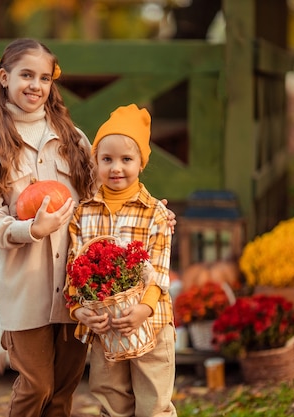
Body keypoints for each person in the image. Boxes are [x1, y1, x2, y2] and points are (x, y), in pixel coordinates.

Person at [0, 38, 97, 417]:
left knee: (62, 392)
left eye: (44, 77)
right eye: (25, 75)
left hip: (74, 287)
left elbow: (99, 202)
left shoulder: (73, 139)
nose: (35, 85)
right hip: (24, 288)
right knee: (37, 386)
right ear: (4, 77)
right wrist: (30, 230)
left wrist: (151, 210)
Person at [67, 104, 177, 417]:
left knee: (153, 404)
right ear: (96, 162)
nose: (117, 168)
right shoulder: (82, 213)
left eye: (126, 159)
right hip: (105, 328)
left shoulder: (155, 214)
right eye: (107, 159)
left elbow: (159, 270)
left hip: (150, 324)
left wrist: (144, 308)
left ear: (141, 163)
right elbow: (75, 269)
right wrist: (81, 310)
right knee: (112, 401)